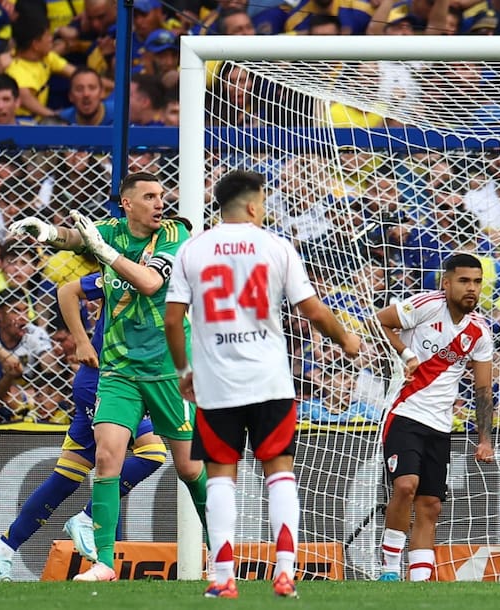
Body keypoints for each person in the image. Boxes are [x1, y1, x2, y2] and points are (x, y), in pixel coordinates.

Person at [163, 170, 362, 599]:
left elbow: (172, 319)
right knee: (280, 473)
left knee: (219, 477)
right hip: (271, 381)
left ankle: (222, 577)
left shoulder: (192, 250)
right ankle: (286, 571)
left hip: (216, 384)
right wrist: (346, 338)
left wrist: (184, 373)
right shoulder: (276, 247)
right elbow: (312, 310)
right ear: (254, 205)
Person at [9, 171, 208, 582]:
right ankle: (104, 562)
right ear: (127, 204)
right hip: (119, 370)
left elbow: (151, 282)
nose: (159, 203)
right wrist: (46, 232)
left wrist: (106, 252)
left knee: (189, 468)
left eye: (161, 196)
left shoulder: (174, 235)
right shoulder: (110, 231)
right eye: (149, 197)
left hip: (167, 370)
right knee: (106, 457)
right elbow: (75, 237)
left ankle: (221, 550)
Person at [0, 273, 167, 581]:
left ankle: (3, 549)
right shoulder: (126, 268)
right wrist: (81, 341)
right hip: (108, 382)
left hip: (120, 380)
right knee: (151, 454)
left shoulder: (163, 272)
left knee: (66, 478)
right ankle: (88, 517)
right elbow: (67, 290)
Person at [374, 252, 495, 582]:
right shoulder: (426, 305)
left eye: (476, 282)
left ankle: (419, 584)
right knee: (405, 486)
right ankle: (387, 572)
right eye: (464, 281)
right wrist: (406, 353)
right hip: (405, 413)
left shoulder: (480, 333)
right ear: (446, 282)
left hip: (441, 425)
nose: (471, 288)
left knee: (430, 505)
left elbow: (484, 390)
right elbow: (379, 320)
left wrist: (484, 439)